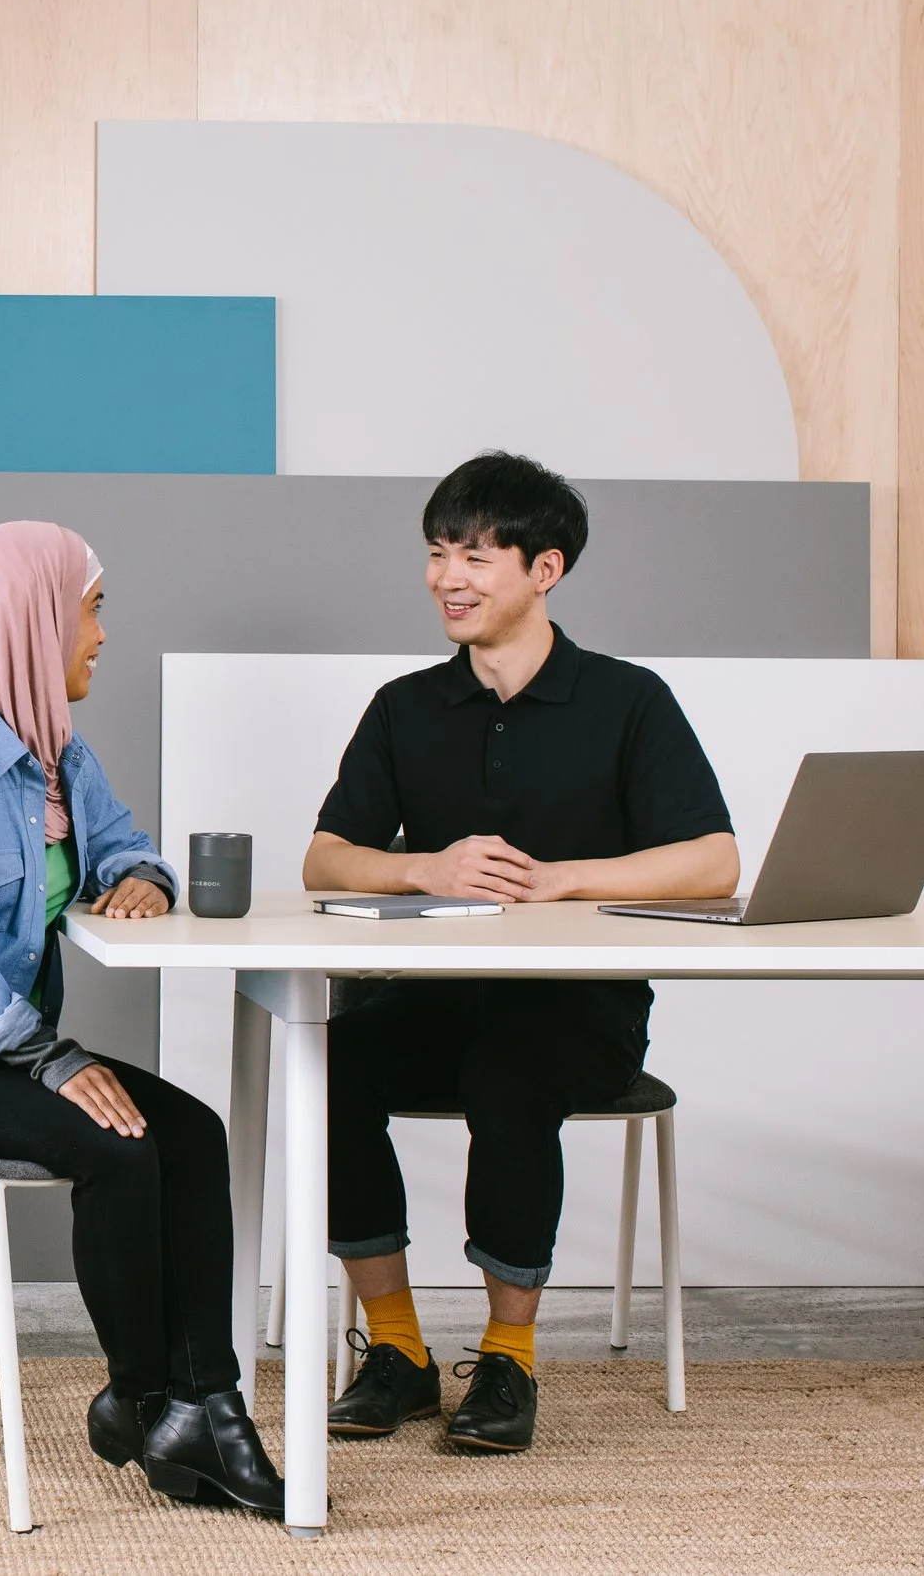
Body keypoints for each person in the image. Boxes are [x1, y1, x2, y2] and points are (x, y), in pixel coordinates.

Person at [0, 520, 284, 1517]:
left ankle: (208, 1402)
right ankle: (144, 1392)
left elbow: (125, 844)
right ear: (31, 620)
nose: (102, 632)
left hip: (5, 1049)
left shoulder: (60, 753)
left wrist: (143, 881)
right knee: (116, 1146)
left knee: (190, 1131)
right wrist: (52, 1057)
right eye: (92, 607)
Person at [302, 453, 739, 1454]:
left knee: (509, 1075)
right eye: (435, 552)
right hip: (434, 998)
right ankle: (399, 1351)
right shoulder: (406, 706)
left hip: (578, 1008)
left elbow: (713, 859)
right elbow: (324, 853)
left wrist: (564, 876)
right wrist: (422, 869)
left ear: (544, 569)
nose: (446, 576)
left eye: (474, 554)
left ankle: (508, 1355)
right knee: (326, 1061)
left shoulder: (627, 700)